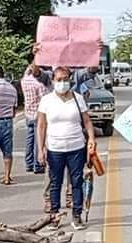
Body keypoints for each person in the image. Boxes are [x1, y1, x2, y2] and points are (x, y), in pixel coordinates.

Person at [37, 66, 97, 231]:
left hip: (76, 147)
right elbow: (41, 126)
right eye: (59, 79)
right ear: (53, 81)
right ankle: (54, 215)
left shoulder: (78, 98)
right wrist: (40, 149)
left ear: (70, 80)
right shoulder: (46, 100)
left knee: (77, 182)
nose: (62, 83)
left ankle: (76, 215)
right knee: (55, 182)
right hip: (54, 148)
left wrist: (91, 139)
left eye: (65, 79)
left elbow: (87, 121)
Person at [21, 65, 49, 174]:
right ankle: (38, 165)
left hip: (29, 113)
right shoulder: (39, 84)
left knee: (29, 138)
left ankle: (29, 163)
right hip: (39, 114)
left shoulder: (25, 80)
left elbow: (28, 70)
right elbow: (44, 99)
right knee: (39, 139)